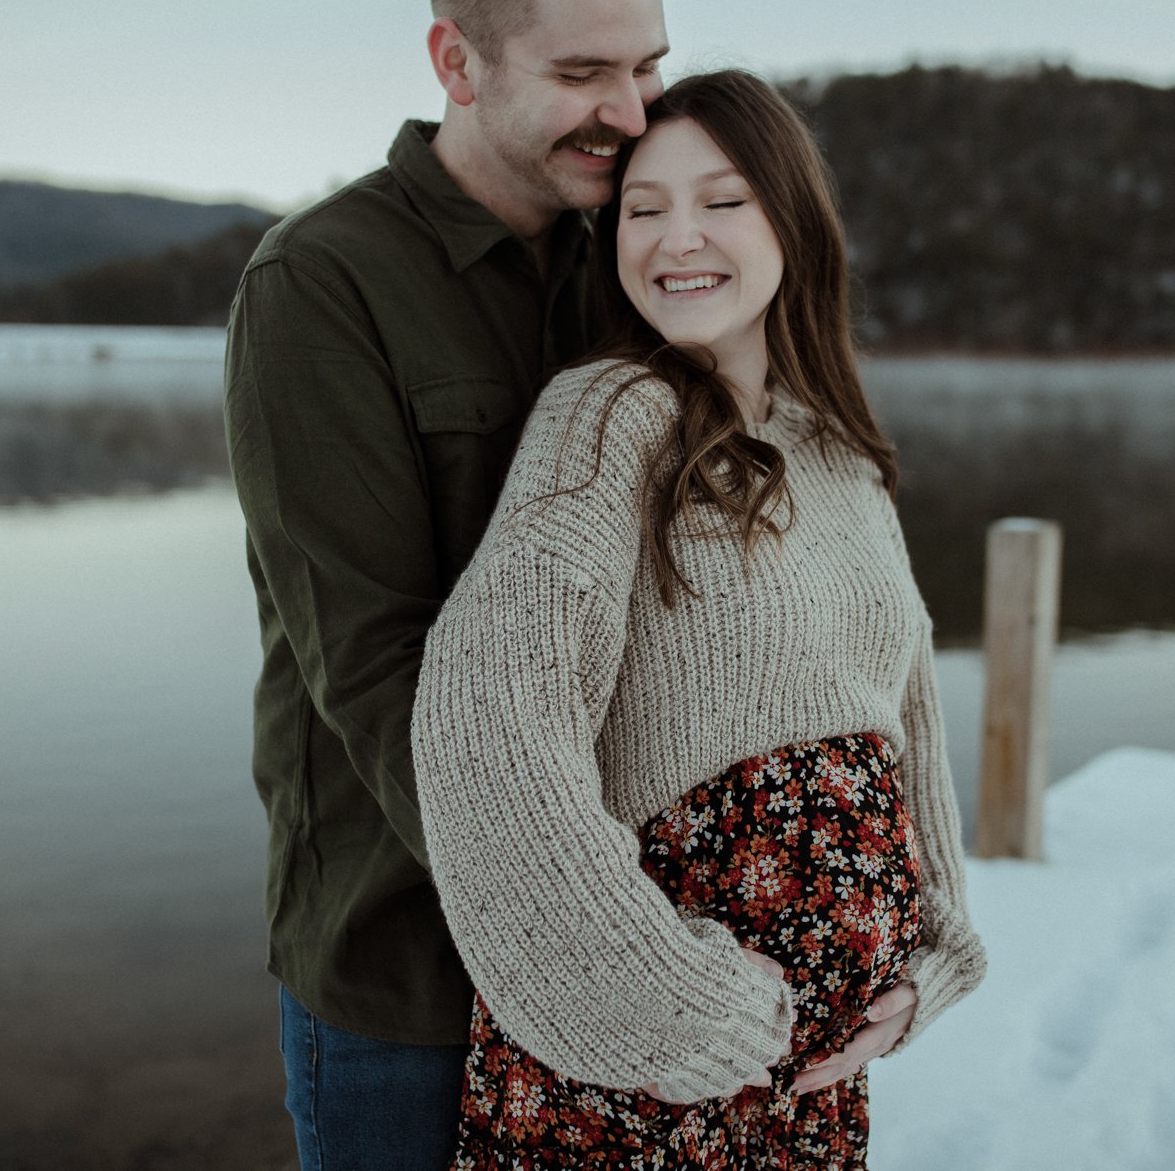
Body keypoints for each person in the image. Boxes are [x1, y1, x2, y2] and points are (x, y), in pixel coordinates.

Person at [411, 69, 988, 1167]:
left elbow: (905, 717)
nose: (679, 237)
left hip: (805, 1090)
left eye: (722, 201)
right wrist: (664, 1003)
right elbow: (483, 719)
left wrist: (936, 948)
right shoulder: (609, 418)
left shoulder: (841, 455)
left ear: (791, 220)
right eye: (643, 207)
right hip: (645, 1083)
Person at [222, 0, 672, 1171]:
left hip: (647, 929)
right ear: (456, 59)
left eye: (647, 65)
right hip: (409, 973)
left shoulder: (648, 258)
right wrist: (585, 936)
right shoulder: (319, 283)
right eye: (585, 72)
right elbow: (374, 662)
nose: (631, 108)